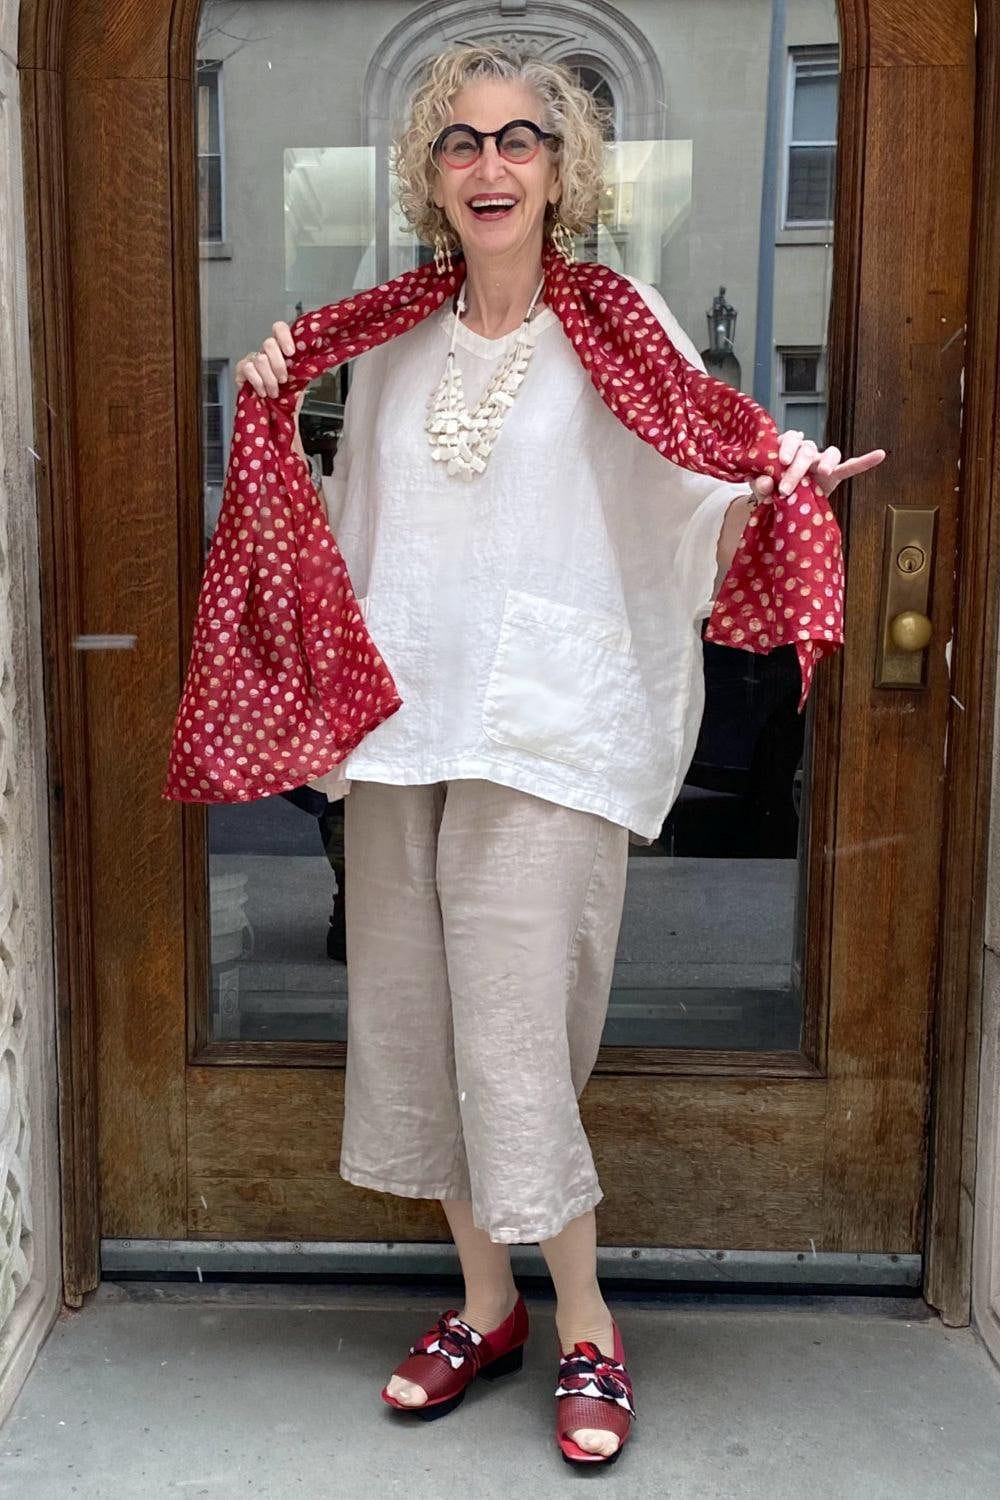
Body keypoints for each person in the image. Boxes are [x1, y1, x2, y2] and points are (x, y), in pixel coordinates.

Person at [236, 42, 885, 1468]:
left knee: (517, 1046)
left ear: (560, 172)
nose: (489, 165)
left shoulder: (621, 323)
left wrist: (780, 485)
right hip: (409, 734)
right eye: (463, 143)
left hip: (549, 730)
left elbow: (691, 488)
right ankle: (485, 1303)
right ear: (433, 174)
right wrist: (273, 404)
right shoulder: (392, 344)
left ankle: (586, 1321)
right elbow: (340, 545)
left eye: (519, 140)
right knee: (415, 1032)